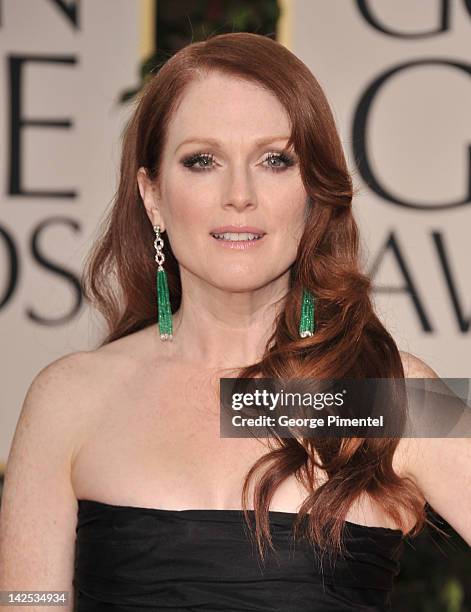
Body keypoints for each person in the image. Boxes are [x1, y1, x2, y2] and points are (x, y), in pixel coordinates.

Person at [0, 31, 470, 612]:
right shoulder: (69, 398)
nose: (239, 194)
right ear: (153, 196)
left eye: (275, 160)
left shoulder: (387, 394)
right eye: (203, 160)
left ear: (314, 192)